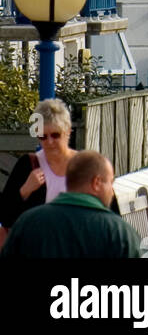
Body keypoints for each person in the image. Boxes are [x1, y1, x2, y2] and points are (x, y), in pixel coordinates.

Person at [0, 98, 120, 246]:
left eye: (55, 135)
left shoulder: (87, 166)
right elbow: (5, 216)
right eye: (43, 136)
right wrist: (25, 191)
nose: (49, 142)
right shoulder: (28, 165)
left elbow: (112, 213)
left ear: (68, 132)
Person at [0, 151, 139, 259]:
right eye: (110, 182)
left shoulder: (26, 223)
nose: (112, 190)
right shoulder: (120, 233)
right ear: (96, 183)